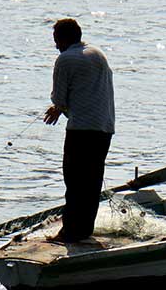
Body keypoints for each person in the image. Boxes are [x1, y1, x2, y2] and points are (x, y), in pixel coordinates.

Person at [43, 18, 115, 243]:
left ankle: (70, 232)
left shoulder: (65, 59)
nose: (56, 46)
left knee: (74, 181)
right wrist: (61, 107)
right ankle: (84, 230)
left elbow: (60, 98)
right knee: (91, 182)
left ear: (64, 39)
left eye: (56, 41)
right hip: (104, 128)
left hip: (81, 129)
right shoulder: (97, 53)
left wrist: (56, 106)